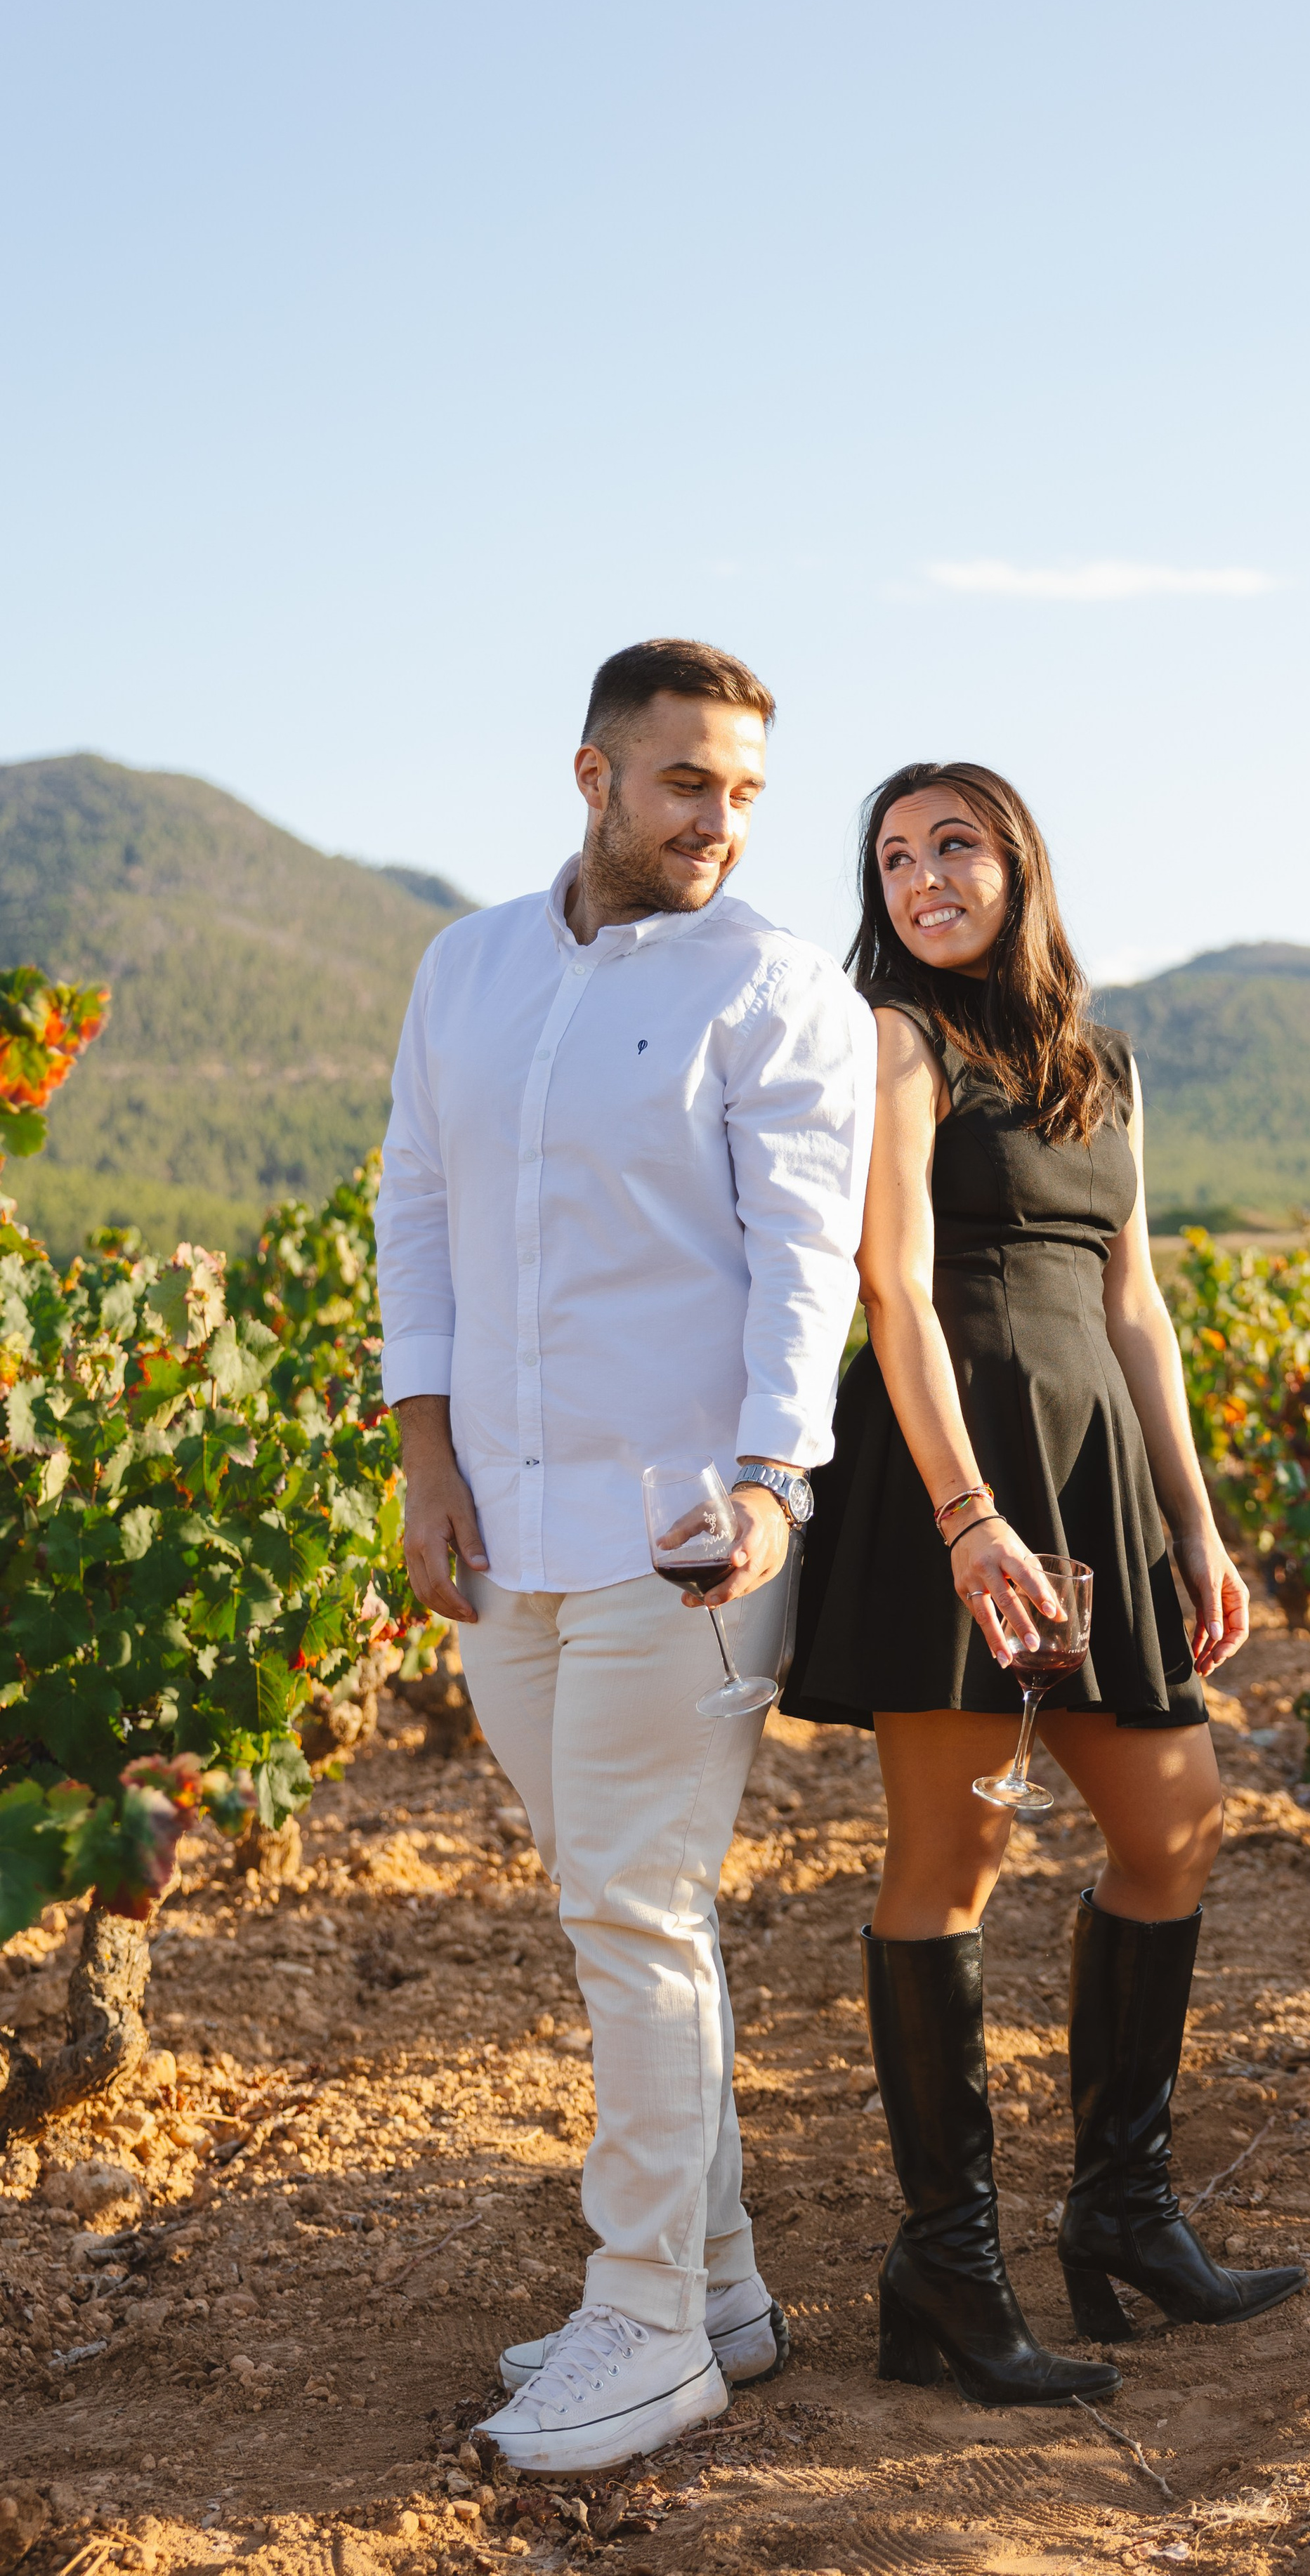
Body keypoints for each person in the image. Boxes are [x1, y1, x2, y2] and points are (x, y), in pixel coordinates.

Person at [374, 638, 875, 2472]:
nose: (720, 824)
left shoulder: (776, 988)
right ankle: (722, 2285)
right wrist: (425, 1458)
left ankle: (648, 2323)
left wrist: (767, 1479)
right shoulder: (468, 967)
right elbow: (414, 1202)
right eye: (687, 785)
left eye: (746, 792)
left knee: (635, 1911)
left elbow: (804, 1255)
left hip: (688, 1540)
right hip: (501, 1533)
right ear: (593, 777)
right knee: (612, 1902)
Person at [782, 761, 1308, 2407]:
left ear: (1019, 861)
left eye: (953, 845)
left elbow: (1135, 1308)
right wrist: (962, 1513)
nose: (921, 876)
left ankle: (1124, 2214)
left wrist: (1194, 1523)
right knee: (959, 1848)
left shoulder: (1098, 1062)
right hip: (959, 1470)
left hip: (1099, 1480)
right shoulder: (893, 1040)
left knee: (1174, 1826)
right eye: (890, 856)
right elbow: (894, 1284)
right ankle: (944, 2268)